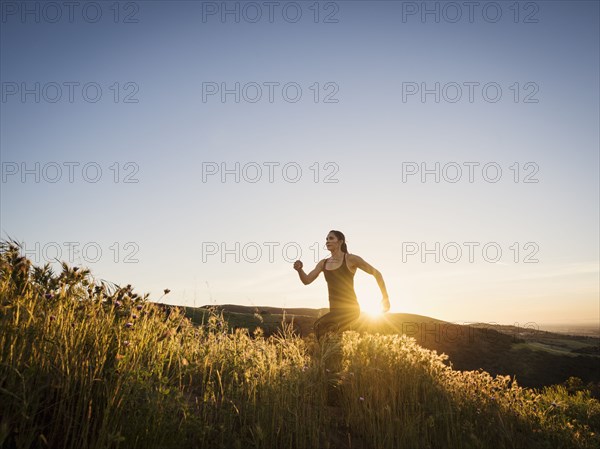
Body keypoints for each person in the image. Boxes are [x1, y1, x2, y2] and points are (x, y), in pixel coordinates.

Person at [293, 230, 390, 338]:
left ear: (340, 242)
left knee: (319, 326)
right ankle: (334, 353)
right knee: (333, 337)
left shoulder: (350, 259)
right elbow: (307, 280)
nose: (327, 241)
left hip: (350, 310)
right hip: (334, 310)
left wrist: (385, 297)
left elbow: (377, 274)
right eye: (326, 239)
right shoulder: (323, 263)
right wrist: (299, 270)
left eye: (331, 238)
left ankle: (327, 353)